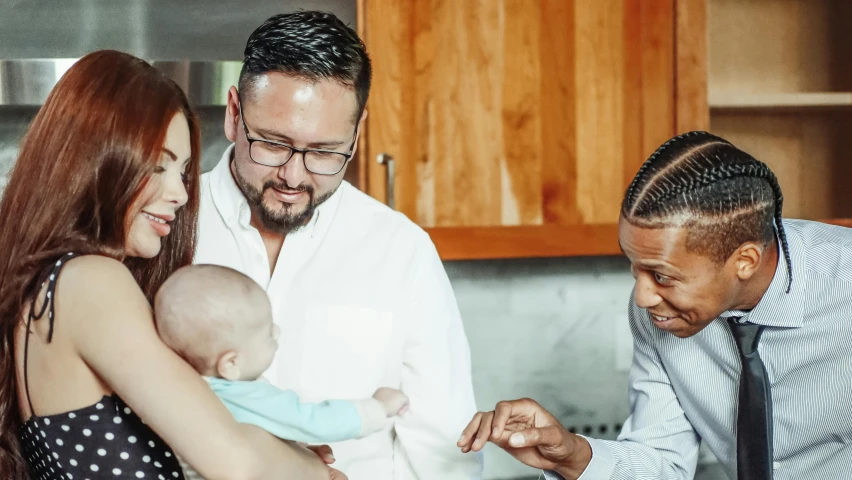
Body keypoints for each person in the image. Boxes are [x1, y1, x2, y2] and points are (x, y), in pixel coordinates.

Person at [0, 50, 344, 480]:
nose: (180, 194)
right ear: (97, 160)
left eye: (182, 171)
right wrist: (313, 468)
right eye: (156, 166)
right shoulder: (91, 281)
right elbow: (239, 464)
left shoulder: (50, 287)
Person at [458, 131, 852, 479]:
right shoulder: (660, 315)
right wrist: (571, 455)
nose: (643, 297)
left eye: (662, 276)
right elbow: (662, 462)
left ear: (744, 262)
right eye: (635, 269)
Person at [194, 11, 482, 480]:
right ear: (233, 113)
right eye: (271, 143)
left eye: (325, 152)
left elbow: (444, 449)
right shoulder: (167, 229)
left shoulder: (401, 249)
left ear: (358, 131)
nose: (293, 176)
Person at [155, 264, 410, 444]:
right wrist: (378, 407)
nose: (277, 333)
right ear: (231, 364)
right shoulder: (245, 396)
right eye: (267, 334)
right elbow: (312, 421)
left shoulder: (188, 387)